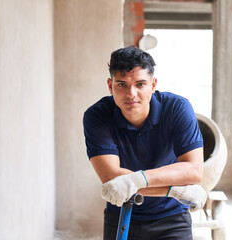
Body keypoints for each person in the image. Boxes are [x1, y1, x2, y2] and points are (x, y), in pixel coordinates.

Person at [83, 46, 207, 240]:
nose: (131, 93)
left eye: (140, 84)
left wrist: (135, 180)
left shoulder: (177, 108)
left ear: (153, 84)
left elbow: (193, 170)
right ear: (110, 85)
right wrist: (174, 190)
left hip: (172, 217)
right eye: (122, 84)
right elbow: (111, 177)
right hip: (122, 214)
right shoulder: (97, 116)